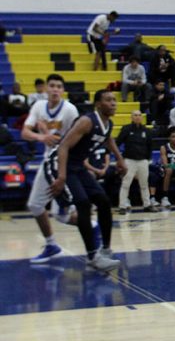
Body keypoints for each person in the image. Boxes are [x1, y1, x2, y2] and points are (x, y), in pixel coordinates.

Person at [48, 89, 126, 272]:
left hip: (79, 166)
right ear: (98, 104)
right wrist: (61, 176)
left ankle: (105, 249)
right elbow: (63, 147)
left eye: (114, 99)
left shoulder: (108, 123)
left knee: (104, 201)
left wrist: (119, 159)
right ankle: (92, 256)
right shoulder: (86, 121)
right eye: (108, 100)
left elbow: (109, 140)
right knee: (83, 203)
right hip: (62, 163)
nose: (113, 103)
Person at [21, 74, 81, 263]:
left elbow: (80, 138)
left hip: (65, 163)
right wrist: (42, 137)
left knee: (63, 214)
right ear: (46, 89)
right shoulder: (39, 107)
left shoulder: (70, 110)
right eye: (52, 86)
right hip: (48, 162)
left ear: (63, 91)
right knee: (35, 205)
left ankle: (95, 228)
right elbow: (25, 132)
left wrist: (58, 141)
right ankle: (51, 244)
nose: (55, 89)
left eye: (59, 86)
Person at [116, 110, 156, 213]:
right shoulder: (126, 129)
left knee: (144, 184)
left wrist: (147, 159)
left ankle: (147, 205)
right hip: (129, 160)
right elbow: (117, 142)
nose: (137, 117)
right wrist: (120, 159)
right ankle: (122, 206)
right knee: (126, 184)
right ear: (132, 117)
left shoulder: (146, 131)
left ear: (142, 118)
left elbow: (150, 146)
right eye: (135, 115)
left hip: (143, 161)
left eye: (139, 115)